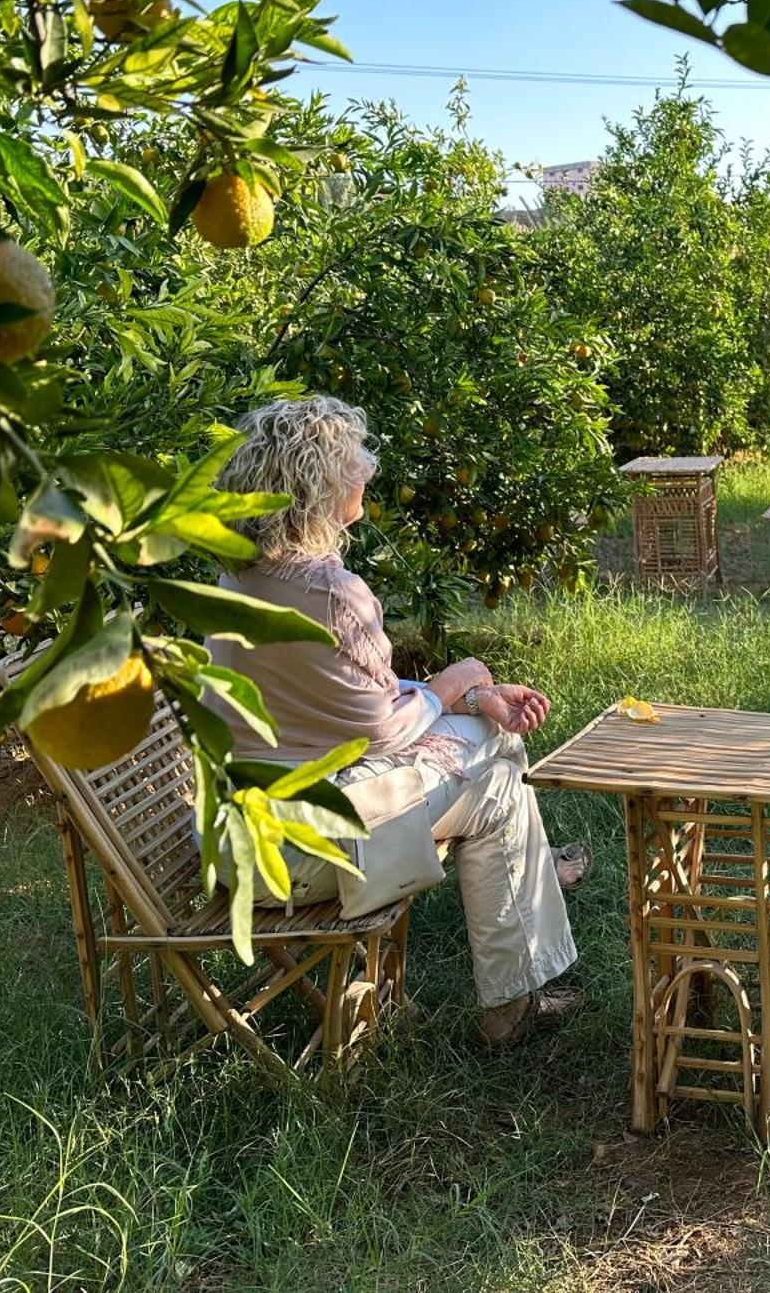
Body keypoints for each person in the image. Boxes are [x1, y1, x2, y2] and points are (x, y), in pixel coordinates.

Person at [210, 395, 586, 1046]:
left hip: (244, 834)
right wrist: (463, 679)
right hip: (307, 850)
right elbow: (381, 726)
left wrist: (468, 699)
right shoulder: (330, 593)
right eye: (356, 456)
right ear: (320, 480)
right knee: (498, 778)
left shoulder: (234, 577)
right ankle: (516, 989)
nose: (370, 466)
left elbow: (341, 698)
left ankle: (528, 929)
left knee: (490, 745)